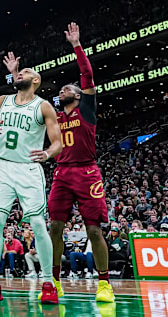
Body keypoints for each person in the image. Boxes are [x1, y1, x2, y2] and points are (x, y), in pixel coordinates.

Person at [0, 59, 63, 304]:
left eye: (26, 71)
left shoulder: (43, 106)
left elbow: (57, 142)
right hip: (2, 166)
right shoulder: (1, 101)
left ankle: (48, 283)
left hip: (28, 168)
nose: (20, 73)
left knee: (37, 222)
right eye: (19, 71)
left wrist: (47, 154)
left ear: (35, 80)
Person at [45, 23, 115, 303]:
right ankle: (54, 280)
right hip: (62, 173)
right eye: (60, 89)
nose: (62, 91)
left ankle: (104, 284)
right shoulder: (55, 118)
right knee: (54, 228)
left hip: (87, 172)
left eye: (67, 89)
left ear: (77, 94)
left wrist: (76, 45)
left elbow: (87, 74)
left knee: (94, 230)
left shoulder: (86, 108)